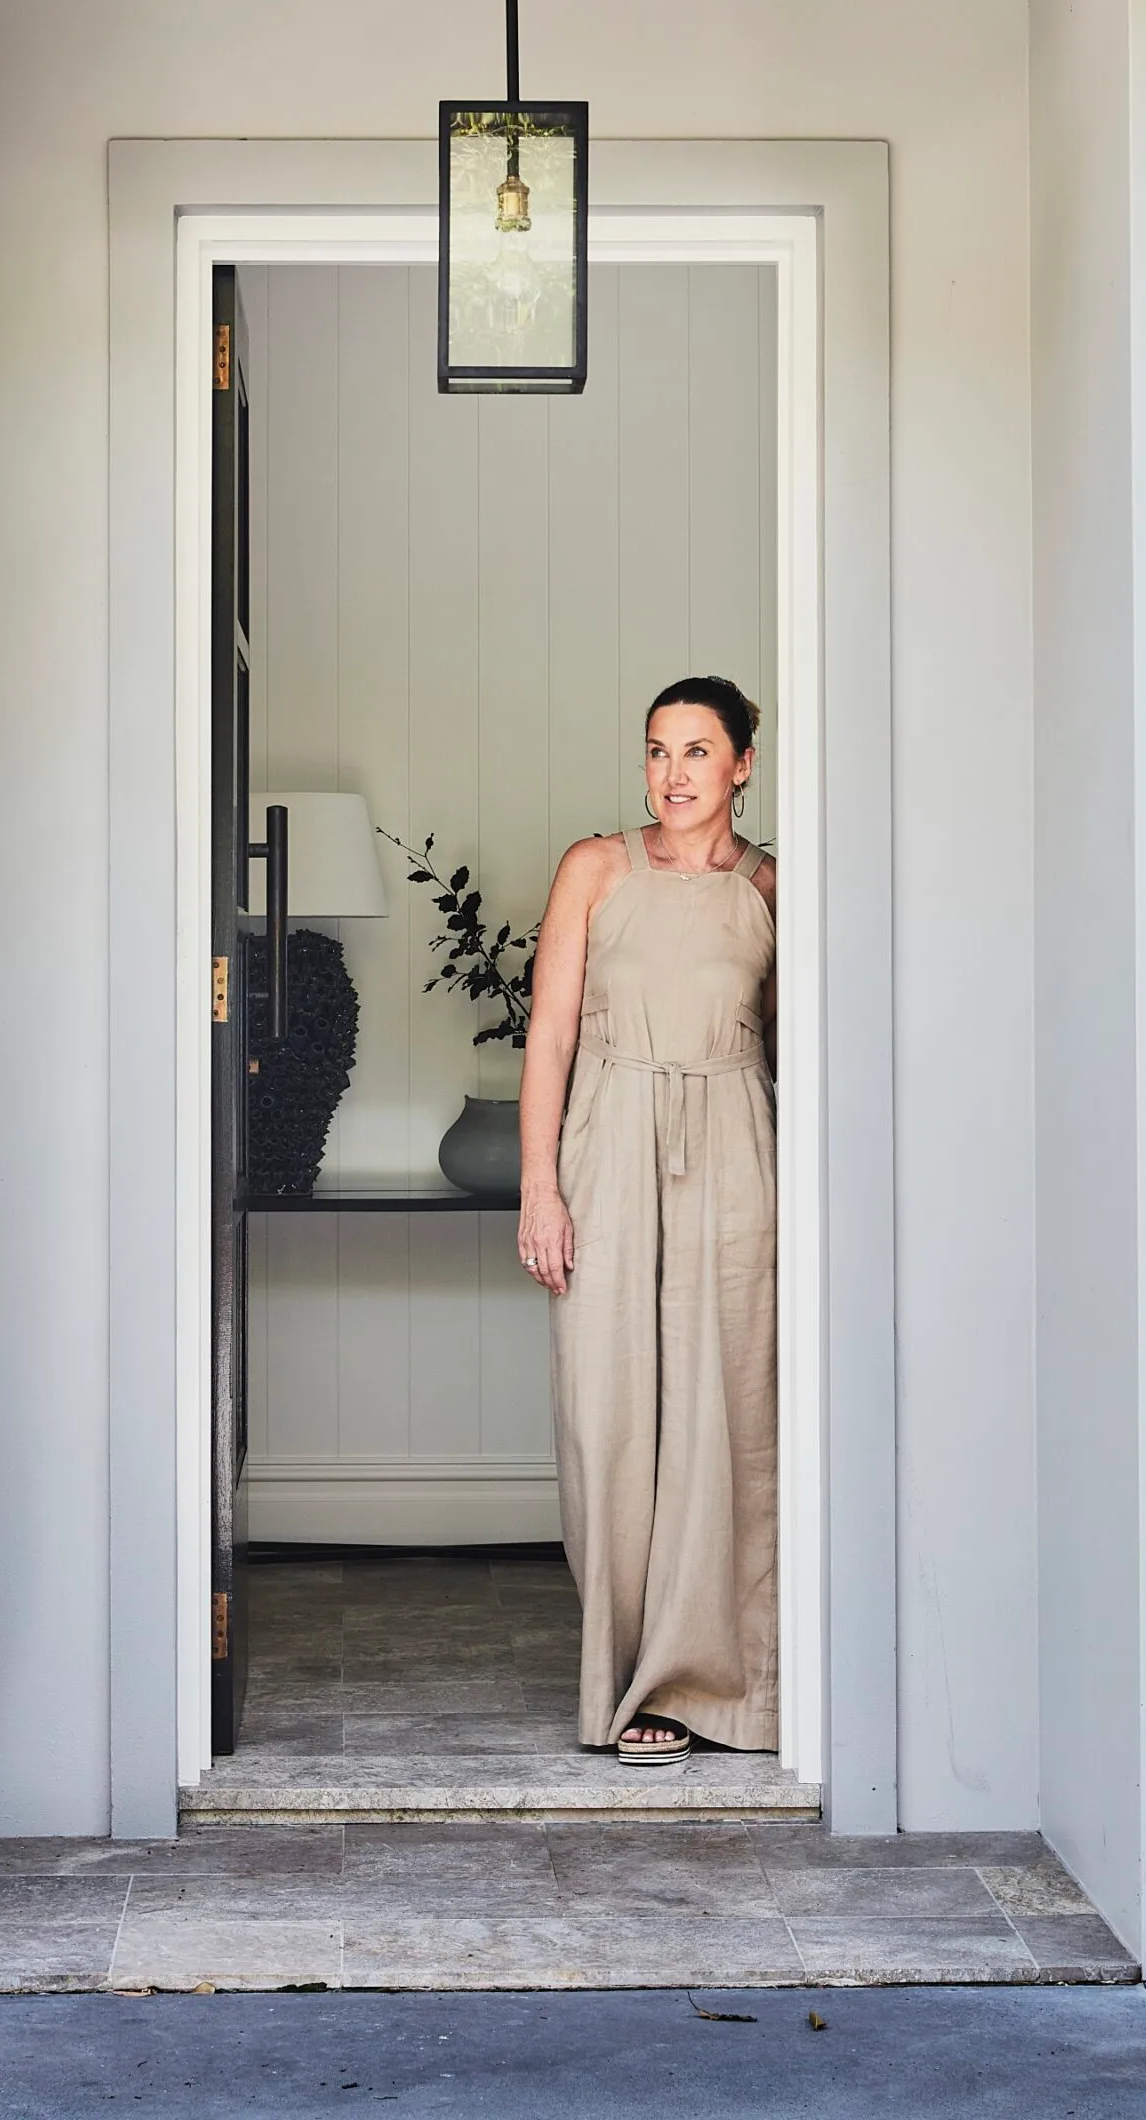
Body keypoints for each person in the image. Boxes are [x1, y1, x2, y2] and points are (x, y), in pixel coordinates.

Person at [517, 676, 777, 1764]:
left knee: (730, 1415)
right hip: (610, 1137)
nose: (673, 773)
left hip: (732, 1146)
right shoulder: (595, 868)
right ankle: (623, 1666)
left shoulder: (776, 884)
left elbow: (815, 1046)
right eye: (657, 750)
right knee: (610, 1409)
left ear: (742, 766)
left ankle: (703, 1680)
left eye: (697, 752)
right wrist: (540, 1183)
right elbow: (551, 1033)